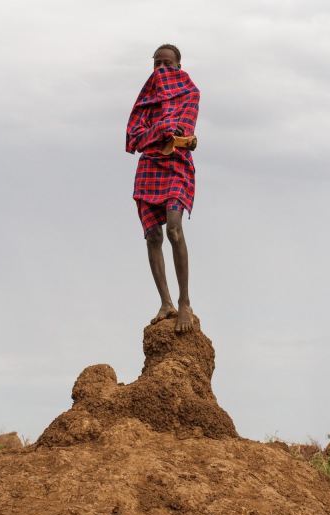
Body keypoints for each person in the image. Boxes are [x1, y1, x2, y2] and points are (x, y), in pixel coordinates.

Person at [126, 44, 200, 333]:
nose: (161, 68)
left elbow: (185, 131)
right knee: (152, 236)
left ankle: (184, 302)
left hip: (177, 164)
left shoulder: (189, 93)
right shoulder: (146, 99)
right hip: (148, 167)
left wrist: (180, 137)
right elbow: (135, 137)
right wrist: (162, 131)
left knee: (174, 229)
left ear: (178, 67)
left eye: (167, 63)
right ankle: (165, 302)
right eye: (157, 63)